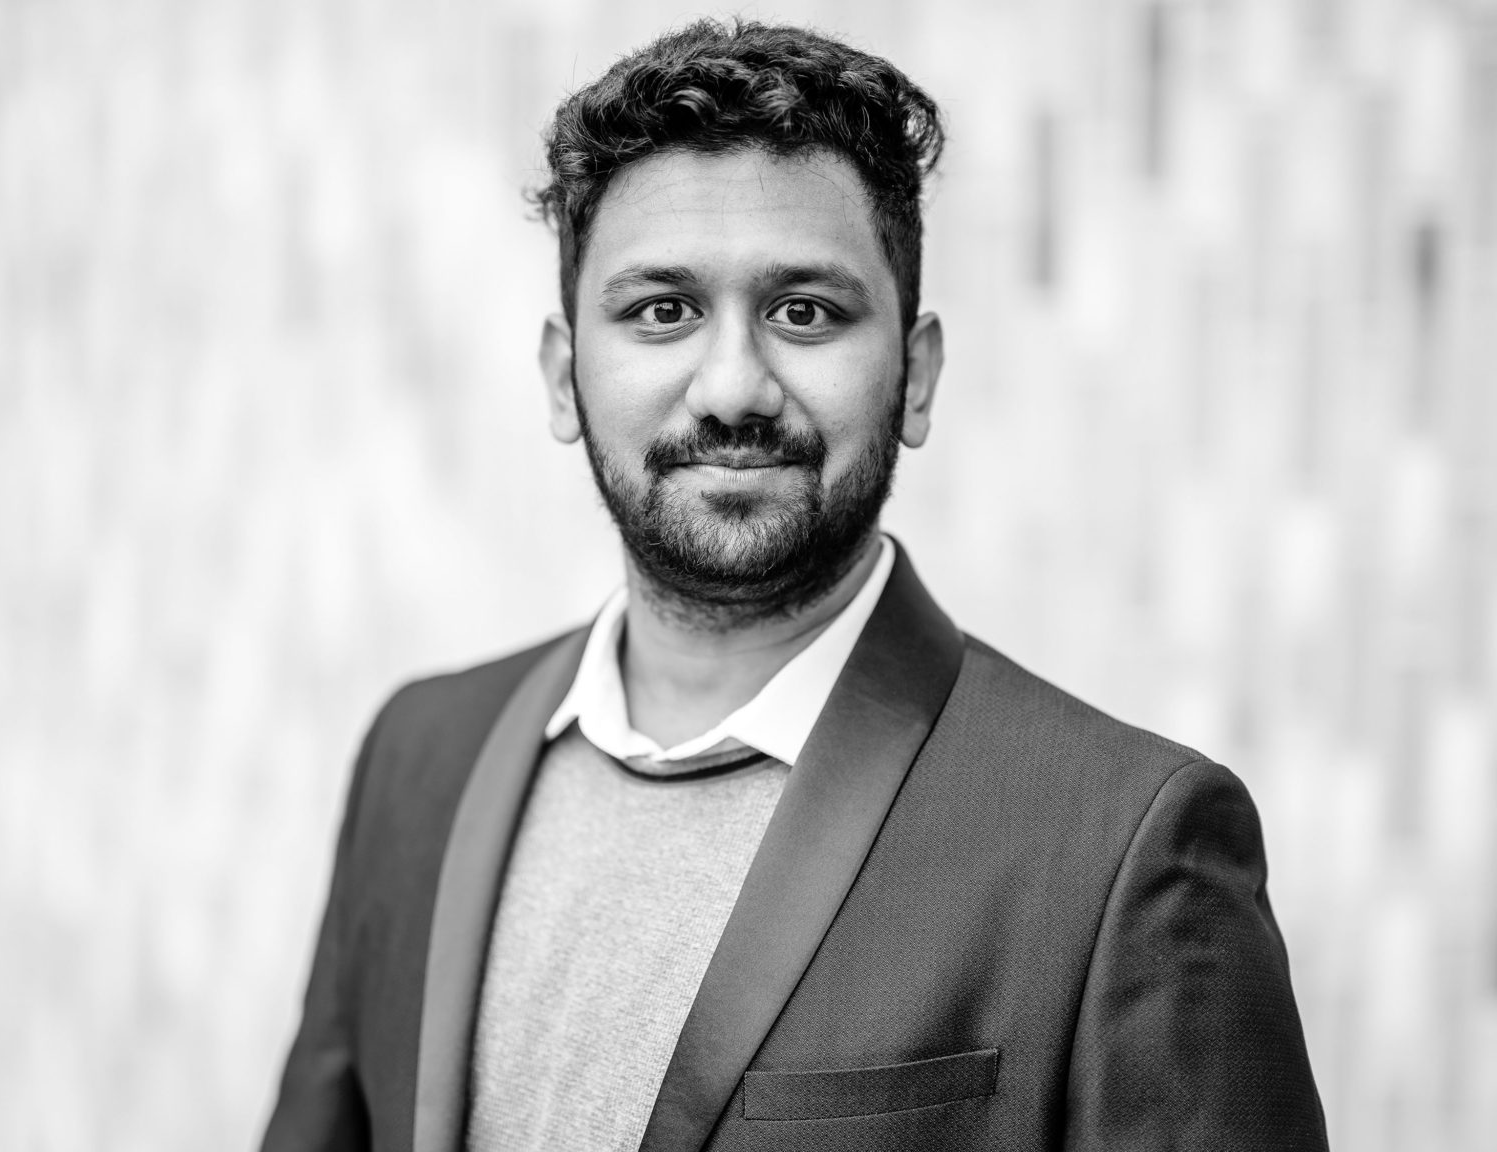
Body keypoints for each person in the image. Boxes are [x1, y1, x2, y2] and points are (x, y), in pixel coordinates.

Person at [260, 19, 1328, 1152]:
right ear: (565, 377)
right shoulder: (418, 761)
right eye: (662, 310)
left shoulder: (1124, 847)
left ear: (917, 377)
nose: (732, 388)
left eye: (804, 311)